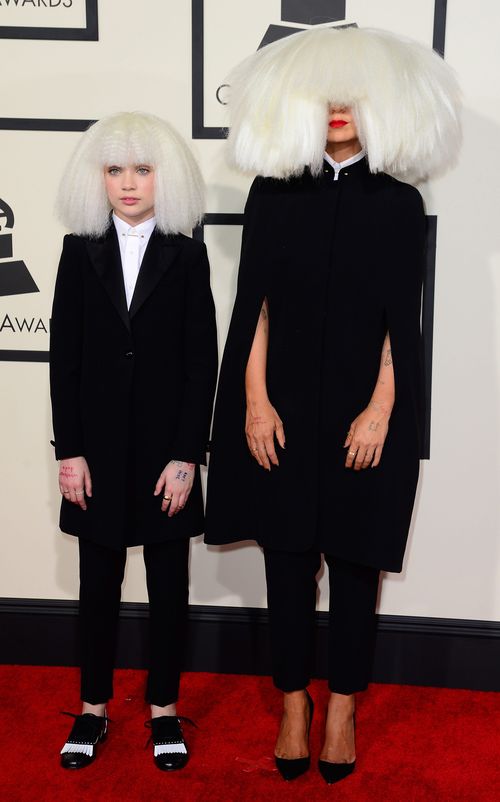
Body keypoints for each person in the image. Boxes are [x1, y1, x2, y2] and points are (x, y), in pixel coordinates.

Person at [205, 27, 461, 785]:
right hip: (279, 408)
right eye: (327, 94)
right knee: (286, 562)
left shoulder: (400, 202)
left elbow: (401, 323)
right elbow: (253, 307)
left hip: (363, 413)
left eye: (355, 95)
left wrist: (383, 407)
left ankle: (342, 708)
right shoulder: (273, 193)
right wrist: (254, 401)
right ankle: (294, 705)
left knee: (355, 564)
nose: (340, 108)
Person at [50, 111, 218, 771]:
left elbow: (199, 358)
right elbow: (64, 357)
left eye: (142, 169)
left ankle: (164, 711)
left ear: (163, 177)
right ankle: (92, 711)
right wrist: (69, 451)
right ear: (98, 177)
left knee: (169, 584)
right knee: (98, 585)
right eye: (115, 169)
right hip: (94, 451)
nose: (127, 183)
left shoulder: (187, 251)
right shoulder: (75, 249)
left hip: (164, 453)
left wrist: (186, 457)